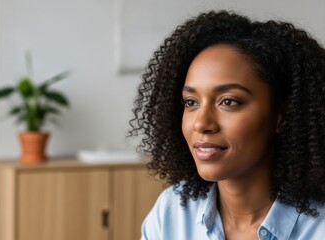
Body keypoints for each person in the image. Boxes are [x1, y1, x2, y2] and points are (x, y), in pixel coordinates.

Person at [129, 10, 325, 240]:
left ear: (281, 115)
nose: (201, 123)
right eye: (191, 102)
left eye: (229, 102)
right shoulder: (171, 214)